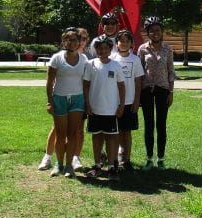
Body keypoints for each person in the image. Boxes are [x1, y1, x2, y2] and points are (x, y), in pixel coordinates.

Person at [39, 27, 90, 172]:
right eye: (68, 40)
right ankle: (58, 164)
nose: (71, 42)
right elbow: (50, 82)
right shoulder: (57, 58)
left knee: (73, 134)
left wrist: (86, 102)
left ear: (79, 42)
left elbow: (86, 82)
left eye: (74, 40)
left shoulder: (84, 59)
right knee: (60, 135)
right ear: (63, 42)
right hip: (59, 99)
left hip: (77, 100)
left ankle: (69, 166)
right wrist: (50, 101)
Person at [82, 37, 125, 179]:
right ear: (96, 49)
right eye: (100, 48)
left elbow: (121, 86)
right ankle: (97, 165)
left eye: (106, 48)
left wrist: (121, 105)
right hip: (94, 109)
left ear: (110, 49)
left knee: (112, 138)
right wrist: (87, 104)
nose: (103, 50)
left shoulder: (116, 65)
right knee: (97, 137)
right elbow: (86, 86)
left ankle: (112, 167)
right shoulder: (90, 64)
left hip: (111, 109)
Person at [137, 16, 175, 170]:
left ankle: (160, 158)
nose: (155, 33)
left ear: (162, 31)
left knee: (161, 125)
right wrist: (138, 93)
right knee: (148, 124)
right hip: (146, 90)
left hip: (163, 90)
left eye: (157, 30)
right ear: (148, 33)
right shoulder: (142, 49)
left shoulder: (168, 49)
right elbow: (139, 72)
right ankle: (149, 158)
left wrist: (171, 92)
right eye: (151, 31)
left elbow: (171, 70)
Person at [111, 29, 144, 172]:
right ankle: (116, 160)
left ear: (131, 44)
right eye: (121, 41)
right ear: (116, 43)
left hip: (130, 102)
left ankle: (127, 160)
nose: (124, 43)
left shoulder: (135, 60)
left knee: (127, 133)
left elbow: (138, 82)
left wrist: (137, 100)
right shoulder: (112, 59)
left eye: (127, 41)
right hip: (114, 102)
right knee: (117, 132)